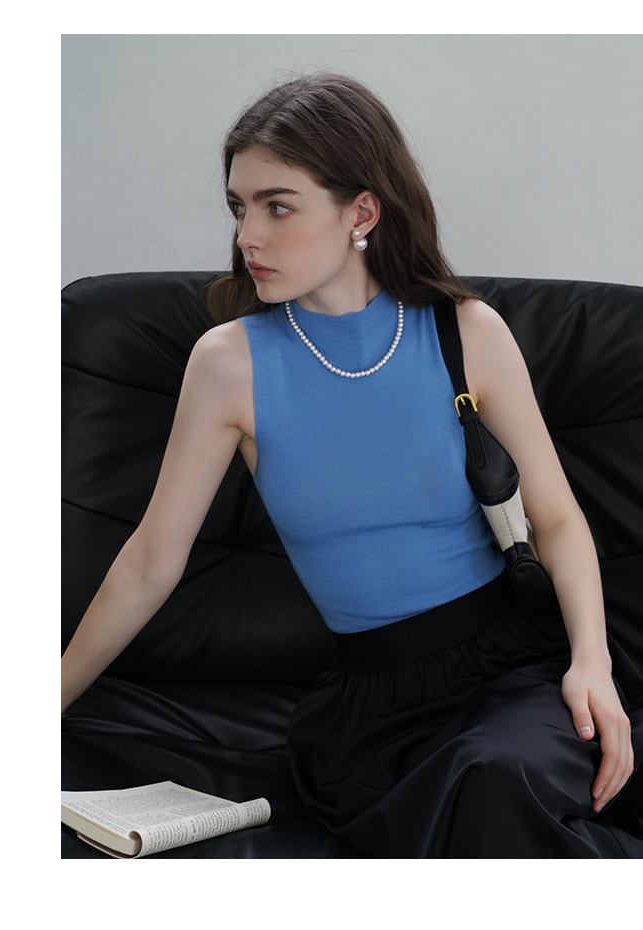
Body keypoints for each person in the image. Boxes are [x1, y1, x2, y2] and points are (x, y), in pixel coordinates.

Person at [61, 72, 643, 856]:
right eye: (238, 207)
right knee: (473, 797)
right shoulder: (229, 363)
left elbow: (558, 518)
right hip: (370, 708)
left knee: (498, 775)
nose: (248, 236)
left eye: (277, 206)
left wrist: (591, 663)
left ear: (361, 213)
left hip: (511, 670)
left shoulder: (466, 332)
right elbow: (148, 564)